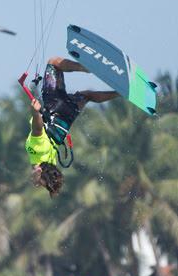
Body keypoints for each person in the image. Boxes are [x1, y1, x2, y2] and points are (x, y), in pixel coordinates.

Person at [26, 57, 119, 196]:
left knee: (87, 96)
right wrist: (35, 113)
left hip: (68, 116)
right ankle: (85, 68)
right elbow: (37, 129)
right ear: (39, 171)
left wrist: (40, 179)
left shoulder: (51, 162)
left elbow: (47, 175)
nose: (37, 183)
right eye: (38, 182)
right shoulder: (35, 151)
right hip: (54, 106)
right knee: (53, 63)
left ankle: (119, 93)